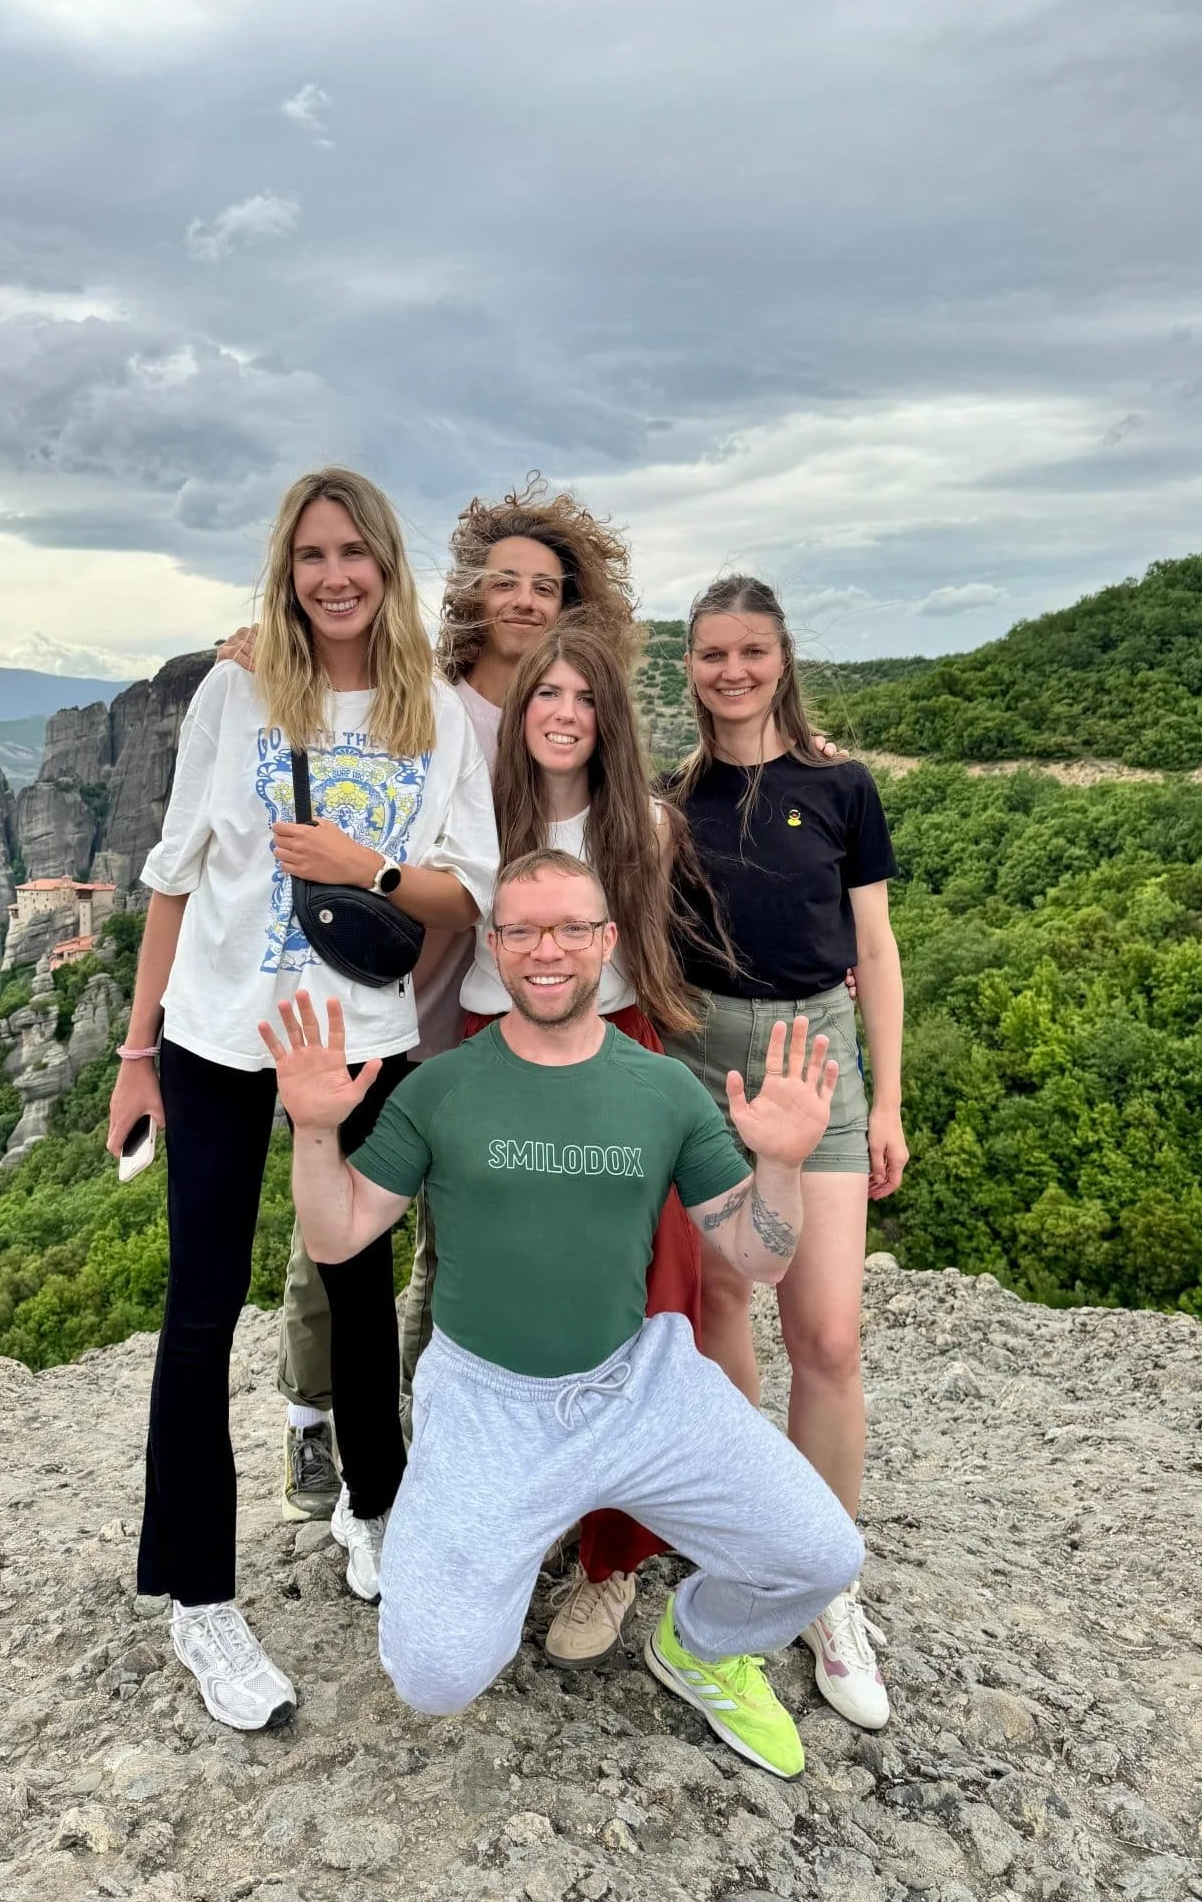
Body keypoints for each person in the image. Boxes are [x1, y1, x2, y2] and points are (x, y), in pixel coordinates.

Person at [260, 849, 865, 1781]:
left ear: (607, 942)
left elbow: (755, 1255)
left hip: (640, 1383)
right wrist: (311, 1129)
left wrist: (781, 1163)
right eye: (524, 930)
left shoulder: (661, 1089)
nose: (549, 951)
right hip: (488, 1401)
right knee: (434, 1675)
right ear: (494, 947)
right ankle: (483, 1568)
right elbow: (338, 1238)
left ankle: (697, 1644)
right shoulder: (442, 1087)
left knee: (820, 1555)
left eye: (572, 928)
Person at [106, 466, 497, 1731]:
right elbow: (174, 871)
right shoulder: (236, 689)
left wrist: (365, 862)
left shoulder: (432, 708)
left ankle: (371, 1510)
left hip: (360, 1037)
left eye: (355, 554)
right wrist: (135, 1054)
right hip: (219, 1036)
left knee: (360, 1286)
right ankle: (199, 1598)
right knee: (201, 1304)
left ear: (387, 564)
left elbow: (463, 893)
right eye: (312, 555)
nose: (335, 576)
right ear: (288, 568)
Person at [270, 478, 640, 1518]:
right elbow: (327, 696)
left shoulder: (569, 705)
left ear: (573, 600)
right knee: (340, 1222)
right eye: (506, 581)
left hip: (490, 1009)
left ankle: (424, 1422)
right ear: (476, 589)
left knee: (454, 1233)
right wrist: (245, 650)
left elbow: (630, 799)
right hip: (393, 999)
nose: (524, 600)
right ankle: (312, 1409)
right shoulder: (425, 694)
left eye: (546, 585)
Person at [663, 574, 908, 1733]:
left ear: (780, 655)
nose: (732, 670)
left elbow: (878, 947)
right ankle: (740, 1540)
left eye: (751, 649)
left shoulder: (841, 784)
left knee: (828, 1332)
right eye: (712, 652)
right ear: (691, 666)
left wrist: (892, 1099)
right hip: (703, 1054)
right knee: (721, 1300)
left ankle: (826, 1579)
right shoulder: (669, 802)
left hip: (820, 1054)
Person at [456, 622, 712, 1667]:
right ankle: (527, 1529)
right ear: (521, 712)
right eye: (544, 692)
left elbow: (648, 958)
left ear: (608, 714)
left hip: (611, 1055)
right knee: (512, 1309)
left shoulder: (643, 823)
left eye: (583, 694)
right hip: (493, 1054)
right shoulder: (476, 806)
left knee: (646, 1303)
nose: (563, 710)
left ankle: (613, 1562)